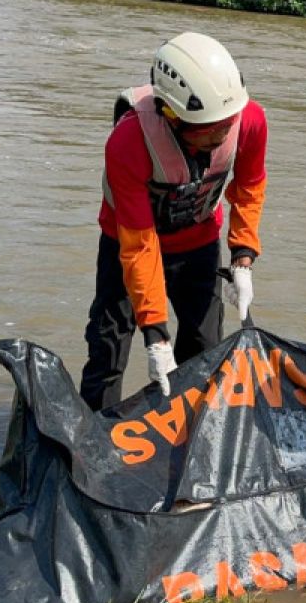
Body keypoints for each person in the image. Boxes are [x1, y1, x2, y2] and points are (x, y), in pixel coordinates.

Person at [79, 32, 269, 410]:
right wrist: (156, 333)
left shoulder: (249, 120)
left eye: (226, 124)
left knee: (204, 348)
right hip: (127, 244)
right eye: (210, 130)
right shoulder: (129, 142)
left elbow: (249, 186)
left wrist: (242, 258)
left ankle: (192, 432)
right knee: (109, 347)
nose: (222, 134)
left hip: (198, 241)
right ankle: (90, 444)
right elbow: (139, 244)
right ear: (172, 115)